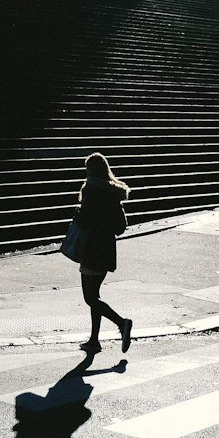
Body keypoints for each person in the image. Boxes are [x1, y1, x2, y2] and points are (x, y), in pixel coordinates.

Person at [73, 151, 133, 356]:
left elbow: (86, 221)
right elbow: (121, 227)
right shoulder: (113, 193)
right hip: (107, 248)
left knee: (90, 297)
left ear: (91, 170)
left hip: (91, 248)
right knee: (95, 295)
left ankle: (121, 323)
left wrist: (78, 214)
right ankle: (94, 340)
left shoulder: (90, 190)